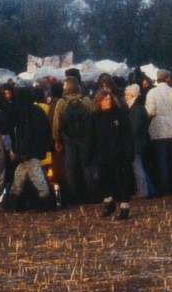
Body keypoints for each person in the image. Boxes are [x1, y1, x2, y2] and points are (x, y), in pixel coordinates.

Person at [53, 76, 96, 204]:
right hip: (85, 139)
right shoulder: (87, 101)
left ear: (68, 86)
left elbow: (57, 123)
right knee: (87, 166)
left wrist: (57, 140)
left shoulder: (61, 102)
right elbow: (94, 118)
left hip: (68, 139)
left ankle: (74, 197)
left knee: (70, 168)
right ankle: (91, 196)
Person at [93, 89, 133, 217]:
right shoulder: (95, 117)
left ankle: (124, 208)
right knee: (103, 180)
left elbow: (127, 134)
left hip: (119, 153)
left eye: (109, 99)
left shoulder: (119, 115)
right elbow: (91, 137)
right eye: (105, 100)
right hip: (103, 154)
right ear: (100, 102)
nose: (108, 102)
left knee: (122, 182)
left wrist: (128, 151)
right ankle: (109, 204)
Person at [145, 70, 172, 195]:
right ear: (167, 78)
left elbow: (151, 111)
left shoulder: (152, 92)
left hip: (158, 131)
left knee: (162, 161)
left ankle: (164, 188)